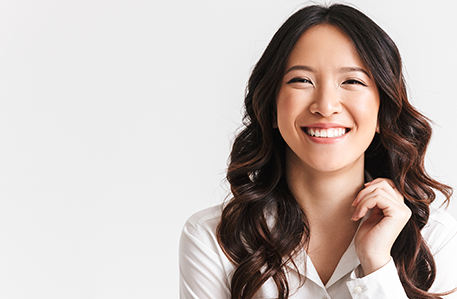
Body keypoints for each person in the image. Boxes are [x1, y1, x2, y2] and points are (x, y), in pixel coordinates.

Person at [179, 3, 457, 299]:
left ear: (382, 112)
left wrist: (376, 265)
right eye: (302, 80)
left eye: (352, 81)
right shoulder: (213, 237)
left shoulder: (433, 238)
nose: (325, 106)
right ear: (271, 108)